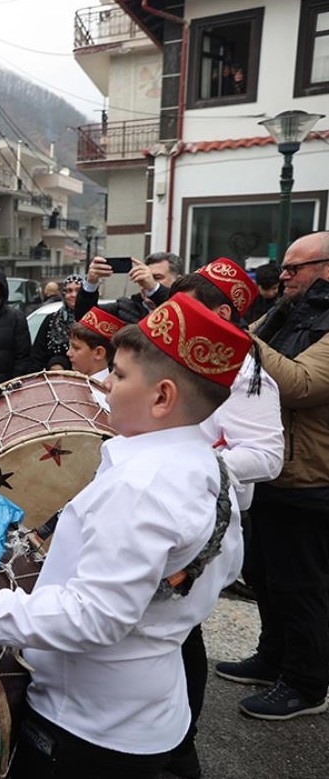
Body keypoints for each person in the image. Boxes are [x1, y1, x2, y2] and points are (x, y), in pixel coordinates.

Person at [0, 292, 251, 777]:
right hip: (156, 710)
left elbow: (94, 619)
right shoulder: (213, 469)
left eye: (117, 375)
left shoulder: (140, 487)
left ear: (162, 397)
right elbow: (222, 569)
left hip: (90, 726)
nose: (101, 384)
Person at [166, 258, 283, 776]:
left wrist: (185, 464)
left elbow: (266, 457)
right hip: (164, 505)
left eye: (185, 308)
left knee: (180, 627)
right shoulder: (182, 355)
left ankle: (178, 742)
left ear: (219, 312)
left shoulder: (246, 372)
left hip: (202, 518)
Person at [217, 231, 329, 721]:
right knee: (264, 575)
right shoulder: (285, 314)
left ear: (326, 269)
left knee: (301, 585)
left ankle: (306, 684)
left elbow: (303, 384)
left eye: (294, 268)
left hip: (308, 478)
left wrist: (239, 337)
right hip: (272, 474)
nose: (281, 276)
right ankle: (272, 659)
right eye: (283, 267)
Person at [75, 253, 178, 324]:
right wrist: (91, 284)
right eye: (145, 276)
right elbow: (85, 319)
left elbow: (179, 312)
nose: (146, 282)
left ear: (177, 280)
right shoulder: (124, 308)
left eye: (157, 278)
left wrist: (154, 288)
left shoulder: (185, 306)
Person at [69, 307, 121, 409]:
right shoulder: (69, 386)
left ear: (98, 353)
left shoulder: (108, 399)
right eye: (69, 346)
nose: (68, 353)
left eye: (76, 348)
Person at [32, 274, 83, 370]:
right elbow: (37, 357)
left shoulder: (94, 319)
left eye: (78, 290)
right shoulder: (52, 320)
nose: (73, 295)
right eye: (69, 291)